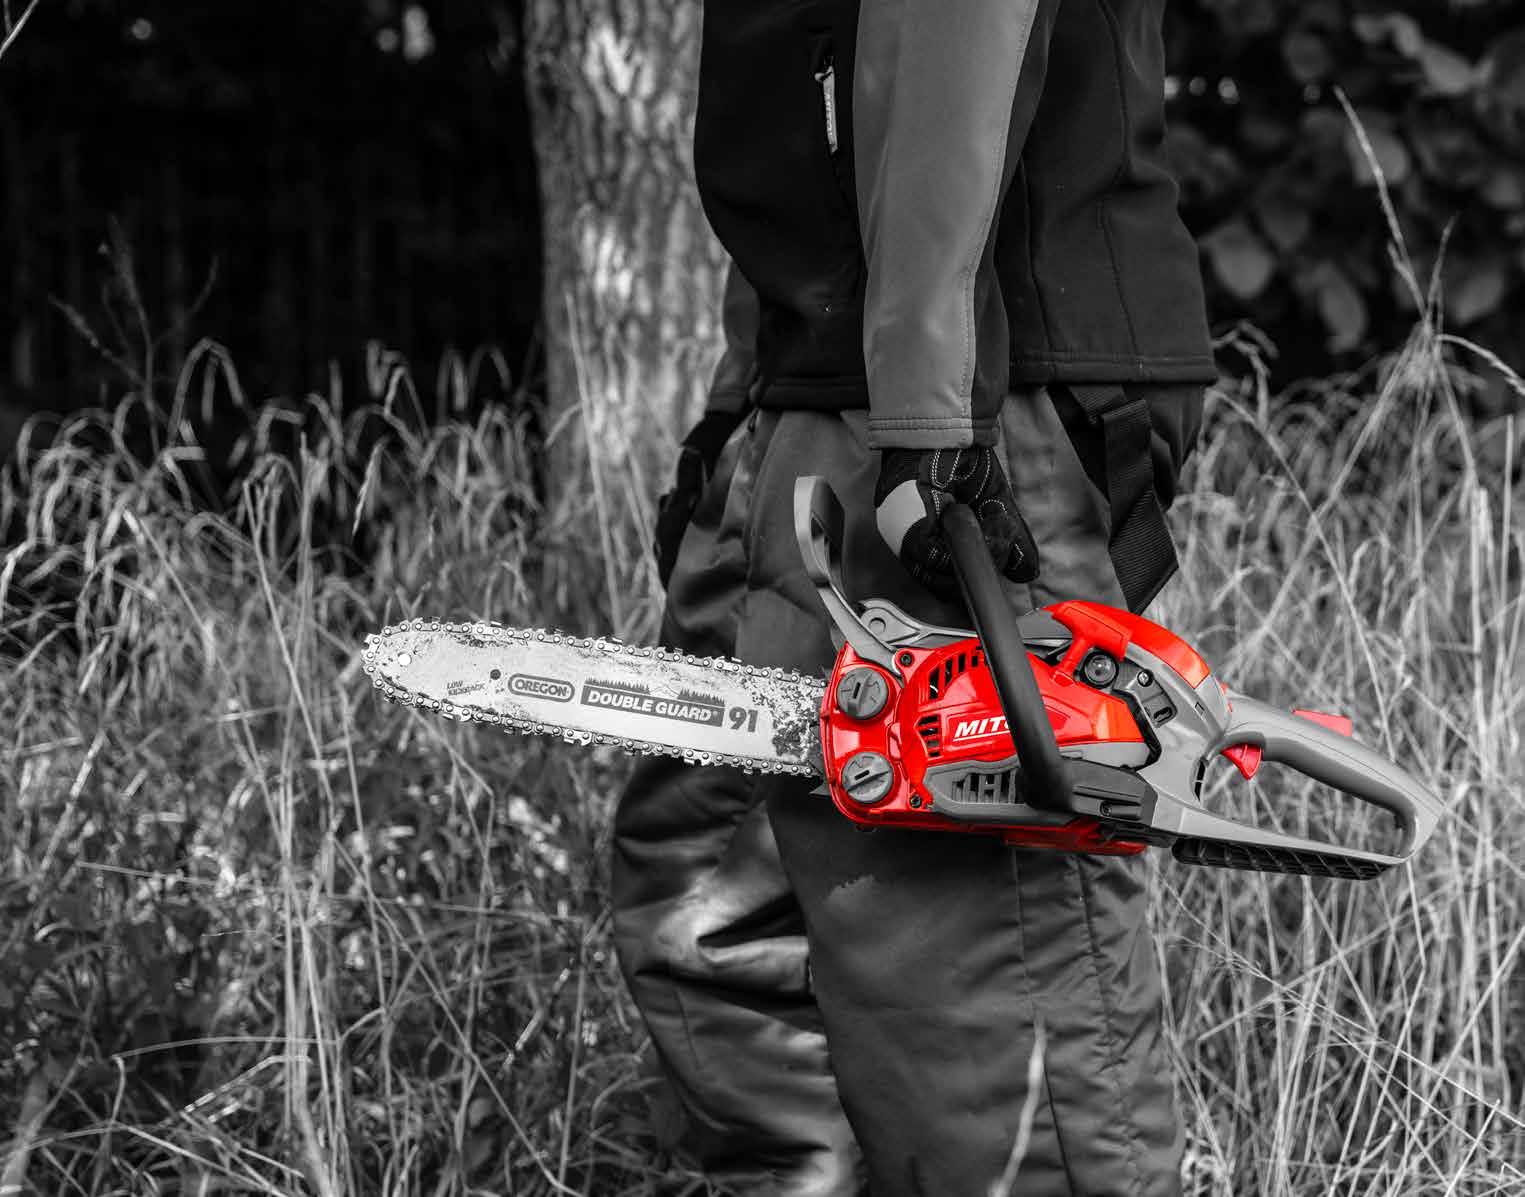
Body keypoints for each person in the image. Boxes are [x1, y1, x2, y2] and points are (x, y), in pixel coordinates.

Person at [613, 0, 1216, 1193]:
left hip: (966, 402)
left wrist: (929, 408)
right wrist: (746, 398)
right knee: (719, 930)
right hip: (815, 393)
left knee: (986, 1006)